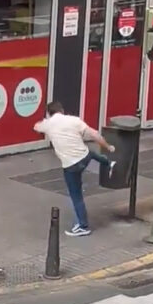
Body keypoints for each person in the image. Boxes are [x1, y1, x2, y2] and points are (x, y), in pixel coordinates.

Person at [34, 101, 115, 237]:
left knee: (76, 196)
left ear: (49, 113)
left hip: (71, 165)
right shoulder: (74, 120)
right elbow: (95, 135)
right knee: (91, 153)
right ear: (62, 110)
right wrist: (108, 147)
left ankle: (83, 226)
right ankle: (108, 162)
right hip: (84, 156)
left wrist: (45, 122)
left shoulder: (47, 125)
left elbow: (36, 127)